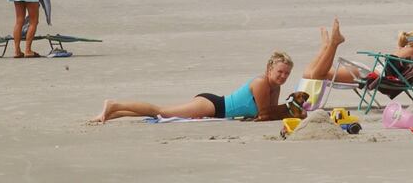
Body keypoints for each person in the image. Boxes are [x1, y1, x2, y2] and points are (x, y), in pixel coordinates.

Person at [90, 52, 299, 123]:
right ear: (270, 68)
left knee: (160, 115)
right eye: (280, 71)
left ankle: (113, 114)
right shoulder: (262, 83)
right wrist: (292, 109)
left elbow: (268, 114)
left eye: (287, 73)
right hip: (213, 106)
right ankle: (113, 103)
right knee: (160, 111)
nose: (283, 76)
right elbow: (264, 115)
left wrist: (287, 107)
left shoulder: (275, 87)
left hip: (216, 106)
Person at [301, 18, 413, 84]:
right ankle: (333, 44)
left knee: (310, 74)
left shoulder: (405, 51)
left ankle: (326, 47)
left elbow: (409, 75)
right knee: (317, 75)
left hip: (366, 72)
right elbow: (408, 78)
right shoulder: (408, 54)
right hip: (366, 74)